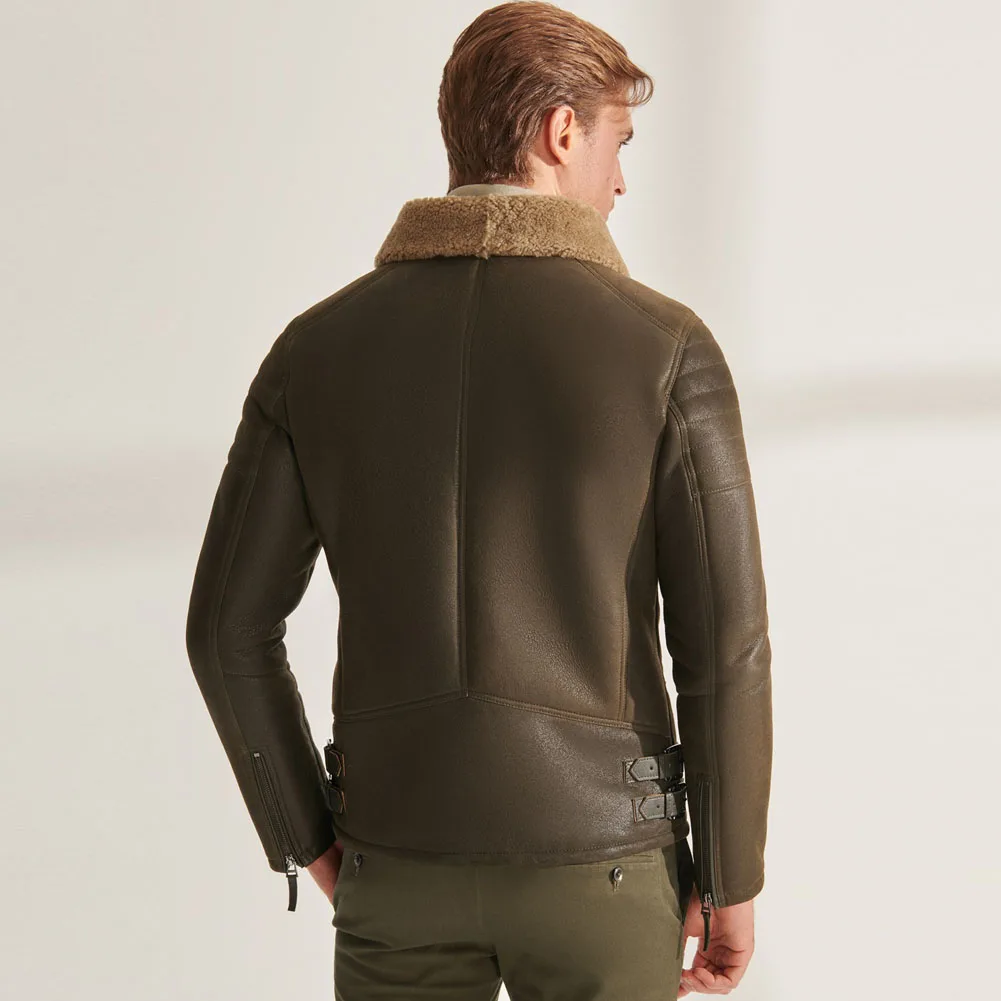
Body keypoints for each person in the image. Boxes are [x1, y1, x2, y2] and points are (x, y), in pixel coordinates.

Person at [184, 3, 773, 998]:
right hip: (605, 865)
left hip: (396, 859)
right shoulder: (665, 348)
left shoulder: (313, 352)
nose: (620, 180)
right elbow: (724, 644)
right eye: (617, 142)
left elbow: (225, 630)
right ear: (560, 132)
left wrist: (312, 839)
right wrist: (729, 876)